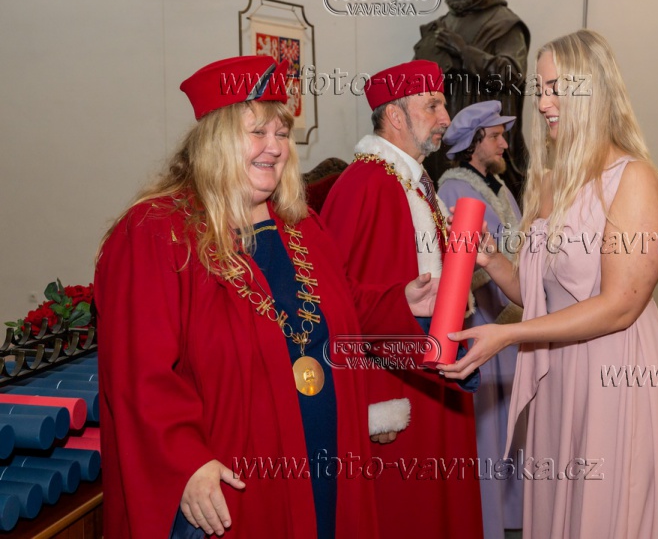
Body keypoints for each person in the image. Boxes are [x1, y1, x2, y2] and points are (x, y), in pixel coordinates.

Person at [94, 55, 438, 539]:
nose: (274, 147)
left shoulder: (302, 225)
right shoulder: (157, 233)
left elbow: (343, 308)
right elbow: (139, 373)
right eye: (257, 132)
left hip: (328, 459)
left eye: (282, 133)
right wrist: (187, 462)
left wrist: (403, 303)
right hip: (237, 479)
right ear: (215, 140)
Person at [440, 30, 658, 538]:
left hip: (617, 373)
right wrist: (493, 260)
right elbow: (542, 296)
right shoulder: (551, 181)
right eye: (540, 90)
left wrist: (509, 335)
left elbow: (619, 306)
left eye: (556, 88)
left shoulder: (634, 180)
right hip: (560, 374)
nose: (543, 103)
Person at [321, 59, 484, 539]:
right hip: (398, 394)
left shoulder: (414, 180)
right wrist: (372, 406)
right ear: (394, 115)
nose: (445, 118)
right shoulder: (366, 184)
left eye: (443, 105)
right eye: (432, 106)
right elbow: (337, 302)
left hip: (431, 377)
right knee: (409, 515)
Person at [437, 100, 523, 539]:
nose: (504, 144)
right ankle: (488, 519)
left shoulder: (499, 187)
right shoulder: (454, 189)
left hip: (512, 317)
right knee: (487, 425)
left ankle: (514, 512)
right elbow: (458, 266)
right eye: (495, 136)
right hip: (484, 321)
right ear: (473, 144)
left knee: (513, 419)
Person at [414, 0, 530, 199]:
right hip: (442, 143)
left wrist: (464, 52)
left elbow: (511, 75)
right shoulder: (442, 25)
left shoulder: (504, 23)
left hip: (484, 144)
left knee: (491, 216)